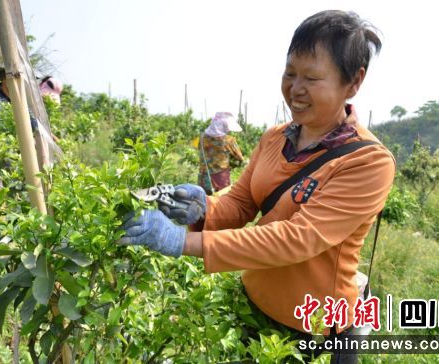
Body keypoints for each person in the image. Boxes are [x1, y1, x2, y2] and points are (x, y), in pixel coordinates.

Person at [119, 10, 395, 363]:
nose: (295, 89)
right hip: (253, 307)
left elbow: (297, 239)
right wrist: (204, 207)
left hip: (313, 330)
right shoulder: (274, 138)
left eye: (312, 78)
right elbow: (242, 201)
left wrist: (182, 241)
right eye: (290, 73)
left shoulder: (368, 162)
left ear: (353, 83)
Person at [198, 112, 244, 195]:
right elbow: (240, 158)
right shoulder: (229, 140)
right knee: (221, 204)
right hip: (220, 180)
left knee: (205, 203)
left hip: (203, 179)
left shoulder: (201, 138)